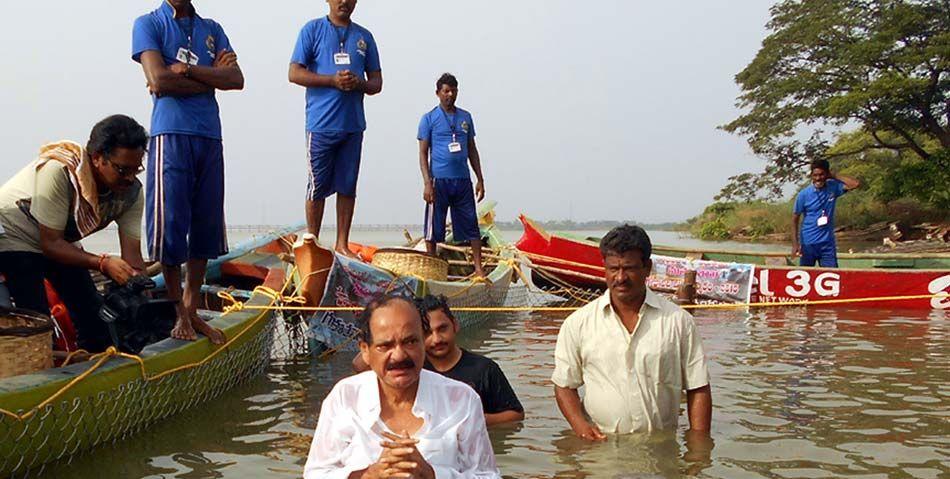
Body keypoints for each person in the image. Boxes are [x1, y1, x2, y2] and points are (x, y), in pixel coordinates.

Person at [132, 0, 245, 345]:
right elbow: (159, 79)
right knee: (170, 225)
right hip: (171, 132)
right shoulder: (148, 23)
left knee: (206, 225)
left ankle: (193, 306)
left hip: (209, 134)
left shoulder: (211, 28)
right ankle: (178, 311)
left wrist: (188, 71)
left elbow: (236, 79)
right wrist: (211, 78)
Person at [305, 295, 500, 479]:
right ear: (365, 351)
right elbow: (315, 474)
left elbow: (489, 476)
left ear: (424, 342)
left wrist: (431, 474)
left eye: (410, 342)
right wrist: (369, 475)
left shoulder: (461, 399)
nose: (398, 356)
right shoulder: (345, 397)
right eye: (385, 346)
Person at [0, 115, 148, 351]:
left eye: (136, 169)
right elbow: (50, 245)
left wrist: (140, 289)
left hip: (60, 241)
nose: (130, 178)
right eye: (122, 170)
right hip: (16, 235)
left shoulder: (131, 193)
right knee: (37, 321)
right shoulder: (60, 172)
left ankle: (93, 364)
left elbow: (133, 255)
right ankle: (45, 374)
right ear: (98, 157)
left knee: (94, 316)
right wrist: (103, 263)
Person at [551, 225, 712, 440]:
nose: (620, 278)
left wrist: (698, 450)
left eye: (629, 268)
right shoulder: (577, 324)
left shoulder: (679, 322)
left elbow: (698, 386)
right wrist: (581, 428)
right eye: (613, 269)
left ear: (647, 268)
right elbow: (564, 385)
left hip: (660, 448)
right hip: (601, 449)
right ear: (604, 268)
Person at [289, 0, 383, 258]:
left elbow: (376, 82)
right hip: (320, 125)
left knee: (348, 186)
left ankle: (342, 244)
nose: (344, 2)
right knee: (317, 186)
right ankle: (313, 242)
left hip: (352, 125)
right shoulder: (312, 30)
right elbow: (294, 73)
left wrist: (359, 83)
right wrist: (331, 80)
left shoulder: (364, 37)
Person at [353, 295, 525, 427]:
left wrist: (475, 420)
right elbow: (359, 364)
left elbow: (516, 415)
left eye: (442, 329)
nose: (437, 339)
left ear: (455, 325)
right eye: (427, 333)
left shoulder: (484, 369)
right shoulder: (409, 368)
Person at [418, 73, 486, 277]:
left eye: (453, 90)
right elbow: (422, 153)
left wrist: (480, 179)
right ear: (438, 93)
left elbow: (472, 149)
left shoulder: (465, 117)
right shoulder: (429, 118)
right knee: (433, 230)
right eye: (446, 91)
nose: (450, 94)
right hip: (439, 181)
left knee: (471, 226)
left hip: (463, 181)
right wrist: (427, 183)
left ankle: (478, 268)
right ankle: (432, 269)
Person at [792, 159, 860, 268]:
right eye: (815, 175)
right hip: (808, 243)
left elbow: (855, 184)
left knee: (831, 275)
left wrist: (834, 175)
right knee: (806, 274)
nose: (818, 178)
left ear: (827, 174)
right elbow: (795, 219)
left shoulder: (833, 187)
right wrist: (795, 244)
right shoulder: (803, 195)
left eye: (821, 174)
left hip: (827, 244)